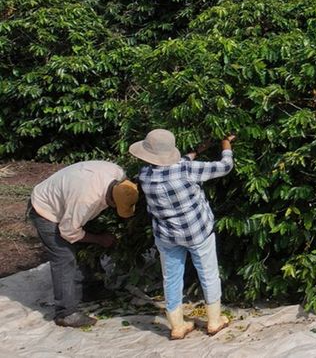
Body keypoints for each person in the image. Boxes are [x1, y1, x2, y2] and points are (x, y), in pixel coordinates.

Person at [131, 129, 236, 339]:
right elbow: (225, 167)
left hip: (167, 236)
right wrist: (226, 145)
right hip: (197, 232)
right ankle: (214, 321)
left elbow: (173, 166)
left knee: (171, 278)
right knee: (208, 274)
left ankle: (177, 326)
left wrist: (195, 151)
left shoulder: (144, 176)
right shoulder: (187, 170)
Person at [28, 161, 139, 327]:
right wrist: (100, 239)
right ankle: (66, 313)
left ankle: (91, 289)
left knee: (86, 245)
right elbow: (69, 232)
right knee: (64, 257)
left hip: (68, 199)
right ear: (110, 199)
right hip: (45, 210)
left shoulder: (119, 174)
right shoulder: (86, 201)